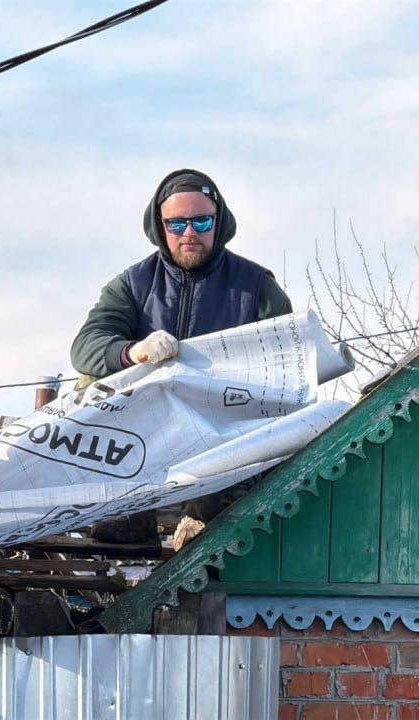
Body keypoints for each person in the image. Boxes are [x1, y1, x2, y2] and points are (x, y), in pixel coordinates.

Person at [69, 169, 292, 542]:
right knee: (90, 383)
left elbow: (290, 360)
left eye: (202, 221)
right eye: (176, 223)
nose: (189, 233)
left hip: (220, 424)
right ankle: (129, 514)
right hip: (148, 427)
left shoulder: (255, 287)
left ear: (218, 222)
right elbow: (86, 345)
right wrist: (132, 352)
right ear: (161, 226)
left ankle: (207, 516)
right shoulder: (134, 284)